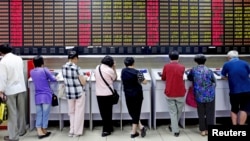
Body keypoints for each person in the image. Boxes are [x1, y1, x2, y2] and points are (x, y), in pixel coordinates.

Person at [0, 43, 27, 141]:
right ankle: (22, 130)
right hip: (21, 88)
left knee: (12, 114)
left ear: (1, 52)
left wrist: (1, 91)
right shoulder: (18, 59)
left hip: (10, 90)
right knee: (21, 112)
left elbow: (2, 78)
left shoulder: (3, 61)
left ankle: (13, 136)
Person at [187, 54, 216, 136]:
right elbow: (213, 81)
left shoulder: (193, 70)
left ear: (196, 61)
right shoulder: (209, 70)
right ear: (205, 61)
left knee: (201, 113)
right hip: (210, 95)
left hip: (199, 95)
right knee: (210, 113)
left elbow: (189, 78)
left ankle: (202, 130)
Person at [30, 56, 57, 139]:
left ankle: (39, 130)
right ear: (42, 62)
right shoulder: (45, 70)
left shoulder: (32, 72)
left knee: (39, 114)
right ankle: (44, 129)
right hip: (46, 95)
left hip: (37, 96)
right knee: (45, 114)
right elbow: (53, 79)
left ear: (34, 63)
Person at [62, 50, 87, 137]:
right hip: (79, 93)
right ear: (75, 58)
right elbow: (83, 82)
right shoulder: (77, 68)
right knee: (79, 112)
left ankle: (71, 130)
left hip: (69, 93)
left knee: (71, 112)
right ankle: (77, 132)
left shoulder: (63, 67)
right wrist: (85, 78)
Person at [221, 50, 250, 125]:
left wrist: (229, 78)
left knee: (234, 108)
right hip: (247, 90)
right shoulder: (245, 63)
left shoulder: (227, 64)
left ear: (229, 57)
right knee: (244, 108)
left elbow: (222, 76)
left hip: (234, 91)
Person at [121, 57, 147, 138]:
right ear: (133, 63)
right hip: (137, 95)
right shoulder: (137, 72)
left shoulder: (123, 71)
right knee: (136, 112)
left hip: (128, 94)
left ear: (125, 64)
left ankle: (136, 130)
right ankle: (137, 130)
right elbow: (144, 82)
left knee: (131, 111)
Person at [161, 50, 186, 137]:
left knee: (173, 112)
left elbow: (163, 78)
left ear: (169, 58)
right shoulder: (182, 67)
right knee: (179, 111)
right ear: (178, 58)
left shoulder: (166, 66)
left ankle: (174, 129)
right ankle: (174, 128)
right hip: (180, 92)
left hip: (170, 92)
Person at [94, 55, 117, 137]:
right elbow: (114, 78)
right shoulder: (110, 70)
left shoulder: (97, 67)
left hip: (99, 94)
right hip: (108, 94)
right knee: (108, 112)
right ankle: (106, 129)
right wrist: (114, 68)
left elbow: (95, 76)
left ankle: (108, 127)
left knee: (103, 112)